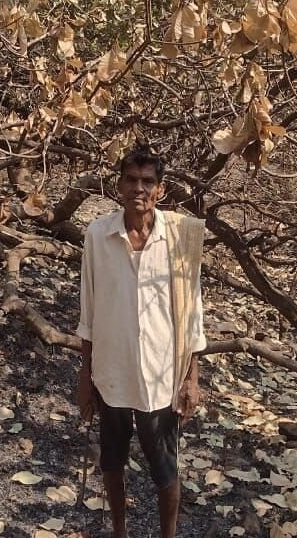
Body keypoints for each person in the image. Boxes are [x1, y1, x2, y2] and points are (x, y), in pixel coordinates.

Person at [77, 144, 207, 538]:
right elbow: (89, 309)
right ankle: (120, 531)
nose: (139, 189)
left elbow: (192, 314)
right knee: (112, 461)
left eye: (147, 182)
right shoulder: (98, 235)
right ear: (118, 187)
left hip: (161, 374)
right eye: (131, 180)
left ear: (160, 190)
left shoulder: (180, 239)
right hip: (111, 370)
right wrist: (85, 374)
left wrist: (191, 378)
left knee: (164, 467)